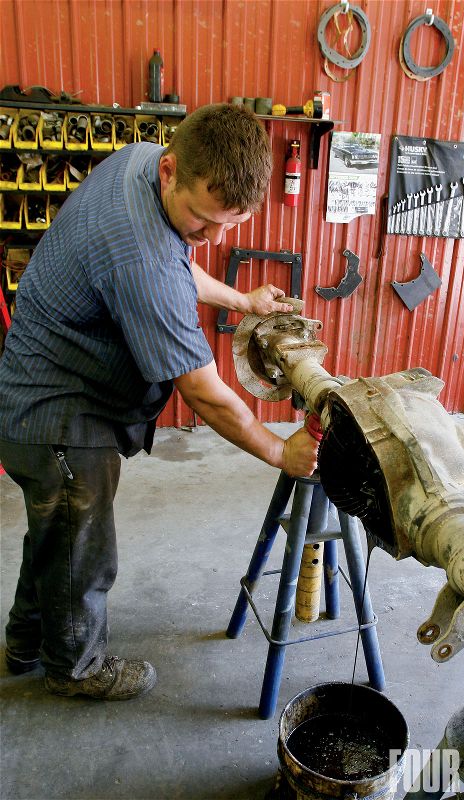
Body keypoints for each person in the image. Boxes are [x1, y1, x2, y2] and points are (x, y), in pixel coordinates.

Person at [0, 103, 319, 701]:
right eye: (204, 221)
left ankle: (25, 644)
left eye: (229, 224)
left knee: (56, 534)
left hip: (38, 387)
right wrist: (280, 451)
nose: (213, 238)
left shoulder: (143, 163)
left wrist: (242, 303)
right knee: (82, 543)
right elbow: (202, 391)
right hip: (56, 414)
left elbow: (175, 264)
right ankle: (75, 667)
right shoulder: (138, 247)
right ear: (172, 170)